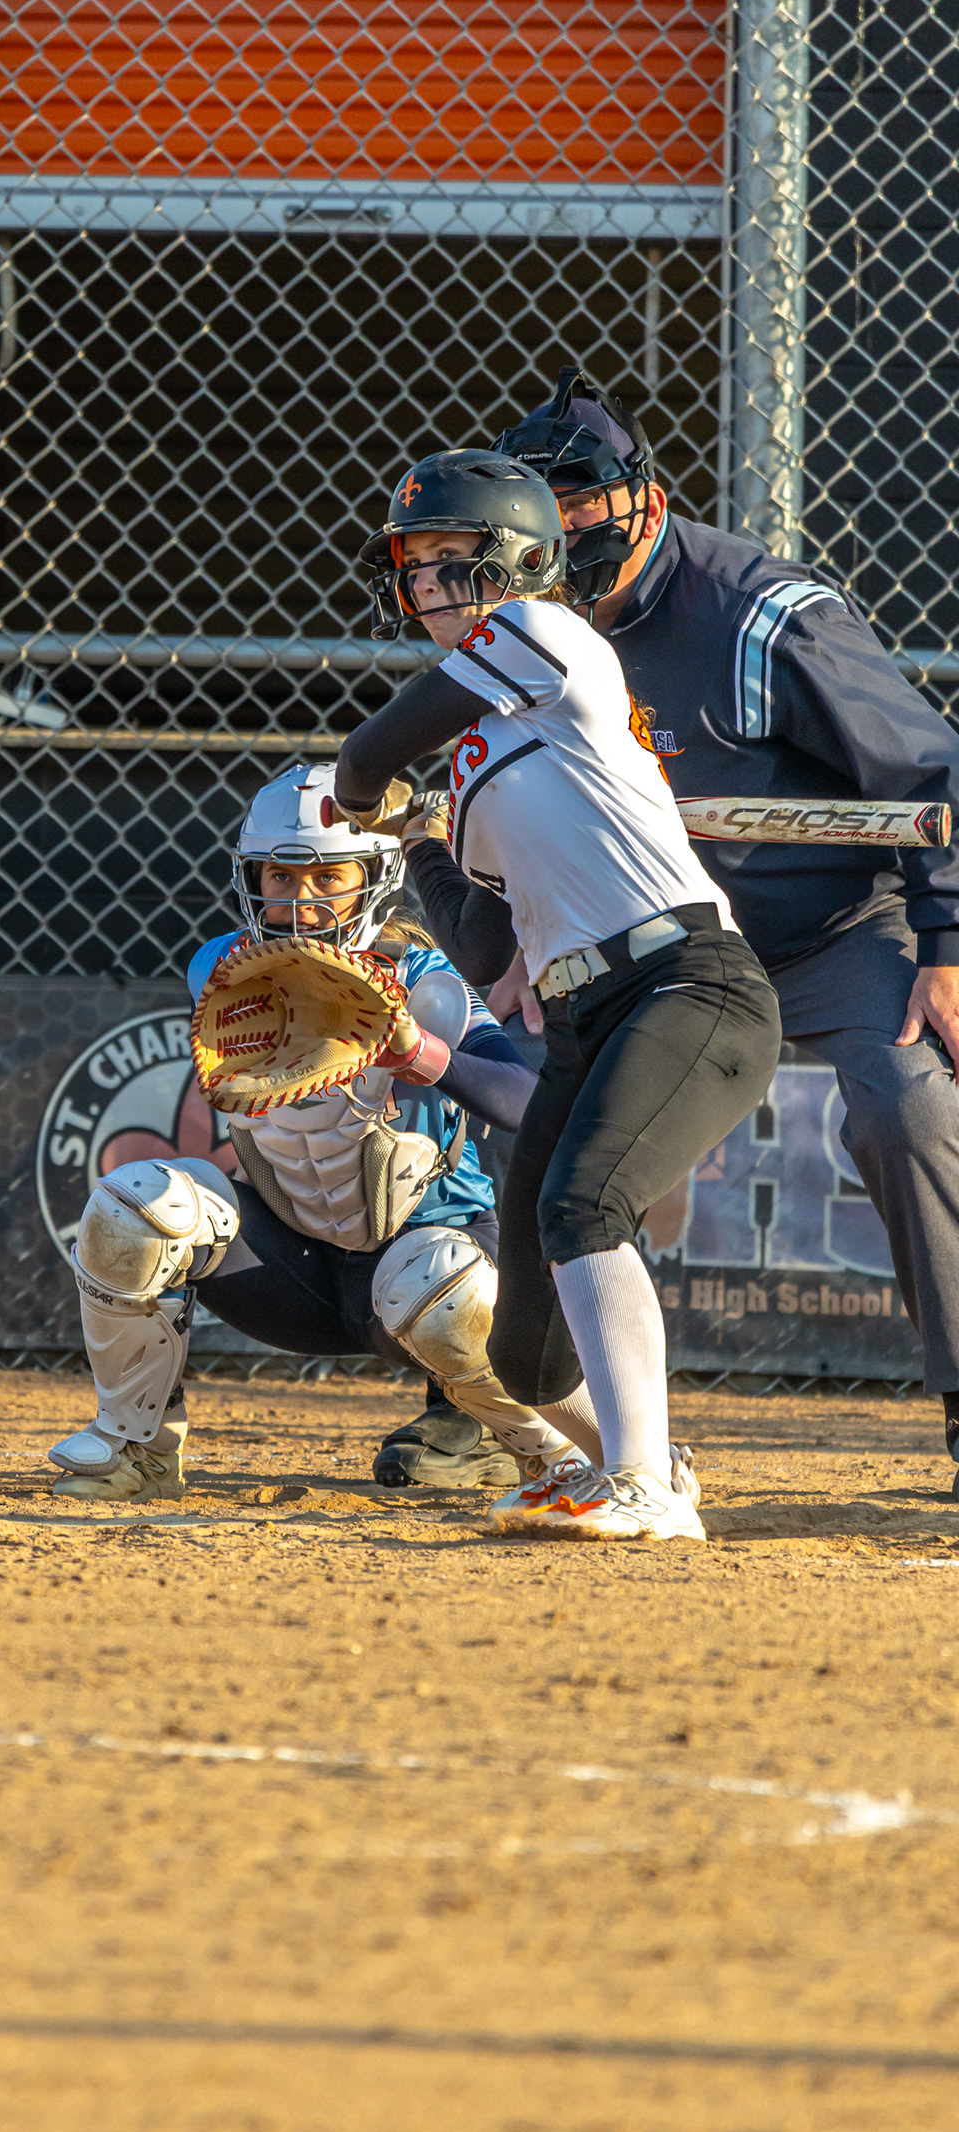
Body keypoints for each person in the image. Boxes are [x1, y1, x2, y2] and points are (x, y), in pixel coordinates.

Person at [496, 370, 959, 1484]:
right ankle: (494, 1400)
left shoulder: (762, 617)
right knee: (509, 1086)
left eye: (582, 503)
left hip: (831, 927)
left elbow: (932, 772)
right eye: (540, 511)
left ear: (647, 501)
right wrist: (516, 933)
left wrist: (949, 945)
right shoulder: (519, 624)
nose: (563, 532)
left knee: (909, 1106)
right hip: (656, 943)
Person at [333, 450, 783, 1542]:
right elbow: (488, 943)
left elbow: (371, 749)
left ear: (525, 560)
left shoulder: (551, 635)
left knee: (586, 1207)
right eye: (418, 564)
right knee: (526, 1354)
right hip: (585, 1016)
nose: (431, 581)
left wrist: (363, 785)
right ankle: (647, 1458)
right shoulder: (482, 758)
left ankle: (641, 1486)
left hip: (687, 980)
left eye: (457, 557)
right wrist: (422, 836)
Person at [47, 759, 604, 1502]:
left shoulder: (425, 981)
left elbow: (525, 1100)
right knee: (133, 1208)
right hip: (293, 1266)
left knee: (441, 1287)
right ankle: (137, 1448)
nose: (300, 901)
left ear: (373, 878)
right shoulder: (220, 967)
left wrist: (419, 1052)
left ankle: (558, 1458)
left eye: (327, 877)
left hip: (418, 1261)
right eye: (280, 876)